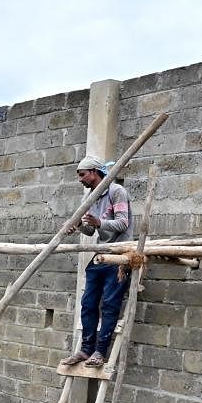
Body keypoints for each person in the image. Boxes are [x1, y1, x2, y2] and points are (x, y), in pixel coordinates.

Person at [62, 154, 132, 368]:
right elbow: (91, 230)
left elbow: (122, 223)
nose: (80, 179)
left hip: (119, 253)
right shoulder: (90, 198)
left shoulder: (116, 191)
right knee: (88, 303)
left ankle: (100, 352)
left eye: (82, 175)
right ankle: (85, 349)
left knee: (110, 305)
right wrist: (79, 227)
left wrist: (100, 221)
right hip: (101, 253)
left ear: (94, 172)